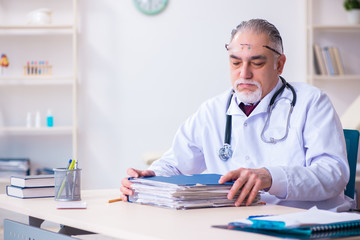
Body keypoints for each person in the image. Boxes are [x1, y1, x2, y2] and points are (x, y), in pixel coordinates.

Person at [120, 19, 353, 211]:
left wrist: (271, 177)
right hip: (237, 223)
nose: (244, 73)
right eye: (235, 62)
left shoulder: (311, 101)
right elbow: (174, 165)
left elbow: (333, 173)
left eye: (257, 63)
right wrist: (149, 177)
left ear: (279, 64)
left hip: (307, 221)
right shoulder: (212, 111)